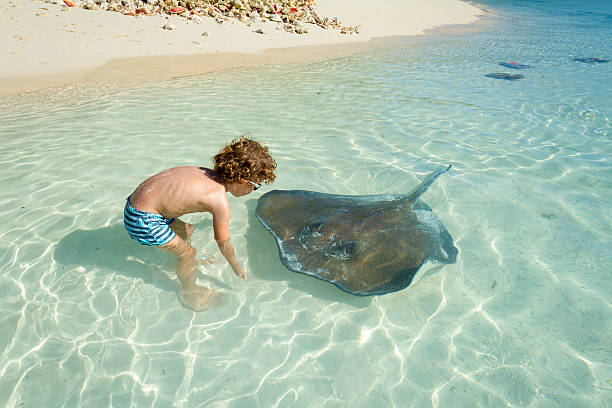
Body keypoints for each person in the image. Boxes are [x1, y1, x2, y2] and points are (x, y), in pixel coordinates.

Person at [123, 136, 276, 311]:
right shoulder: (219, 200)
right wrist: (235, 266)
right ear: (243, 181)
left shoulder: (204, 172)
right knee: (188, 253)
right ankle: (189, 291)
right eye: (255, 186)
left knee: (187, 230)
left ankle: (173, 264)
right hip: (143, 220)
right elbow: (223, 243)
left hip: (136, 205)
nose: (253, 191)